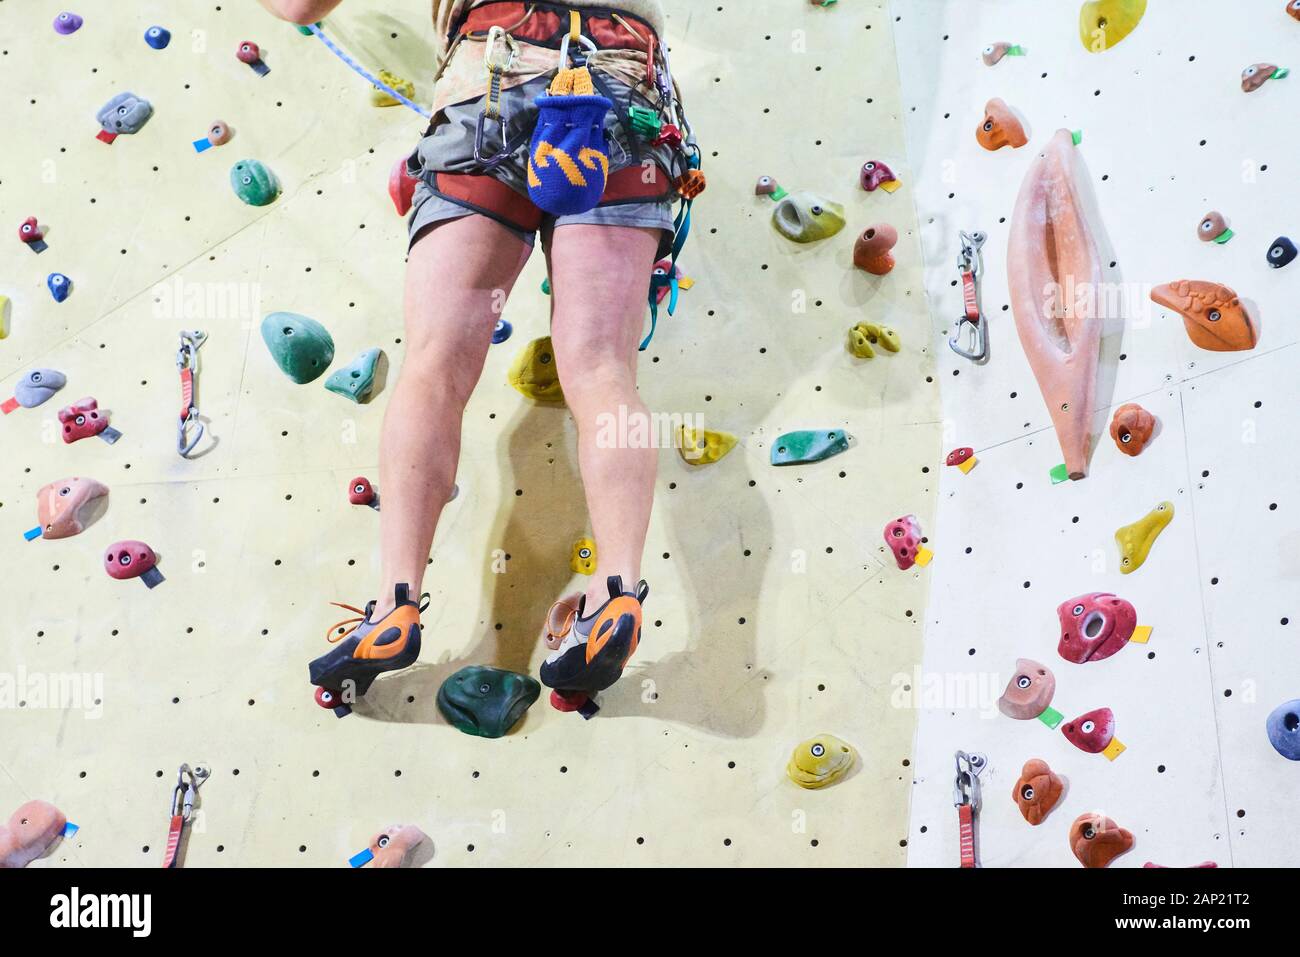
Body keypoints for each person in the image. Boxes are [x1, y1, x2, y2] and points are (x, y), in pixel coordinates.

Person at [259, 0, 701, 715]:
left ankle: (395, 603)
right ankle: (616, 588)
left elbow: (298, 7)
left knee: (436, 365)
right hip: (622, 98)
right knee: (601, 369)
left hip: (487, 89)